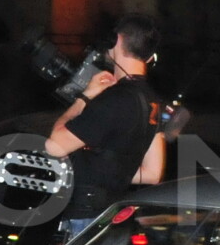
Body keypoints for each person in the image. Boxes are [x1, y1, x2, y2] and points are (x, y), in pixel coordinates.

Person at [44, 13, 166, 227]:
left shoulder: (114, 99)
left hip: (84, 218)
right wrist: (109, 172)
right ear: (149, 57)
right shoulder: (153, 102)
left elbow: (54, 146)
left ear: (116, 40)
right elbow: (152, 173)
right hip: (114, 218)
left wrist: (84, 97)